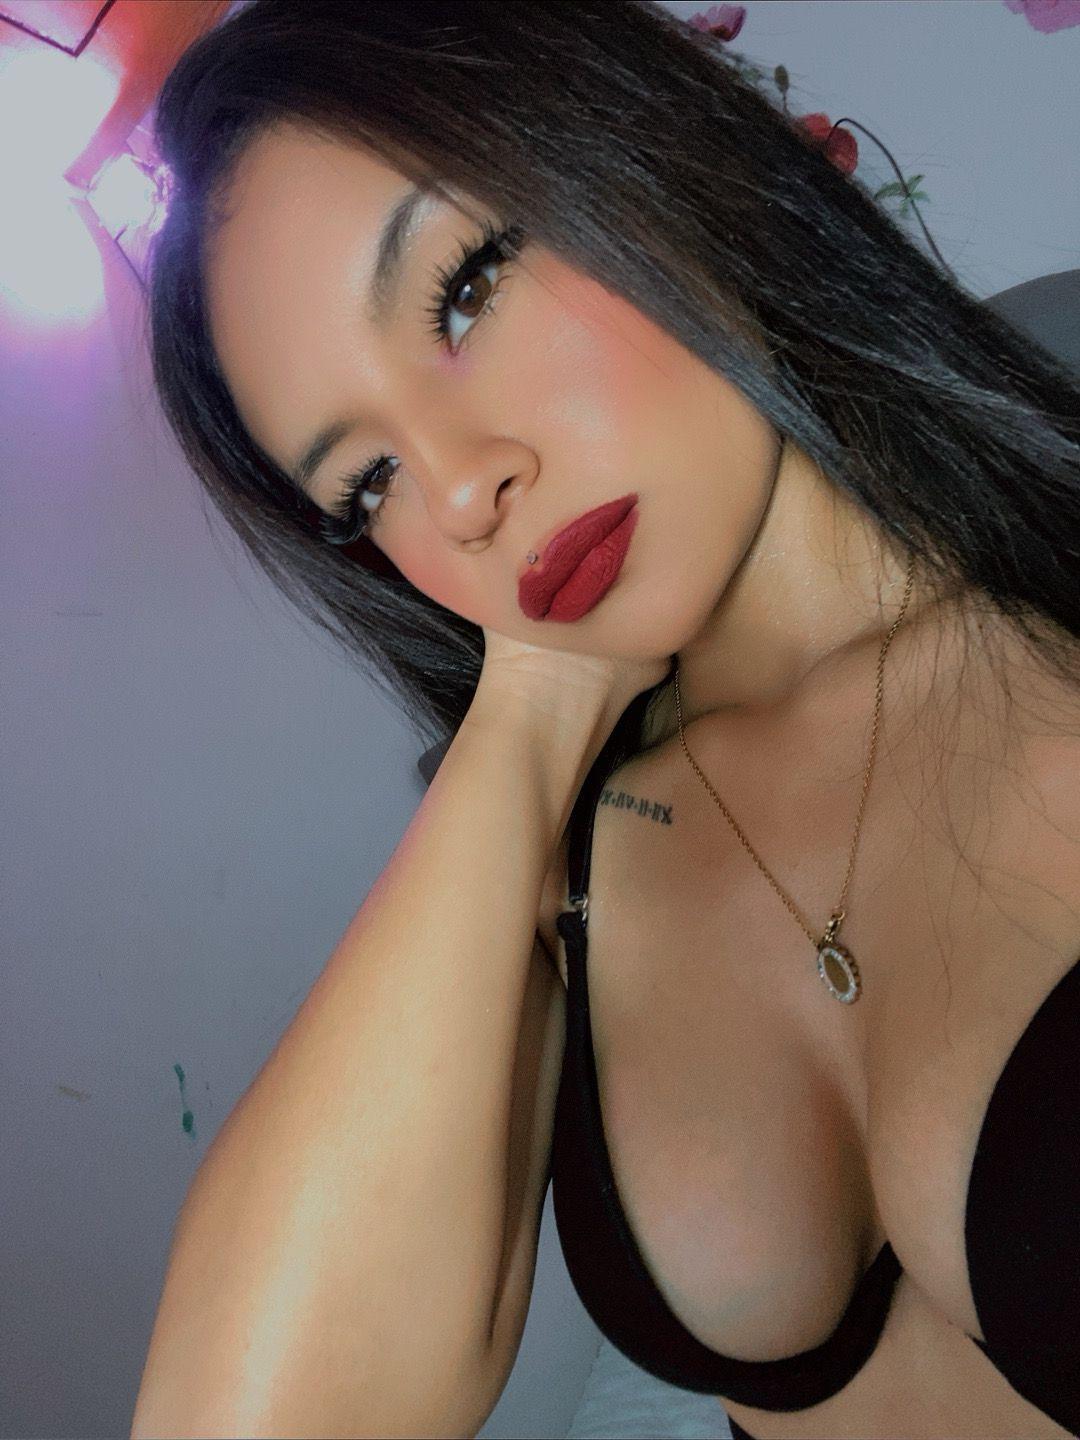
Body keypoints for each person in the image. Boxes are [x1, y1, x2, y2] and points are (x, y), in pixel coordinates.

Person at [131, 4, 1080, 1439]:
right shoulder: (552, 862)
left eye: (464, 292)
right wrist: (535, 703)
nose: (458, 494)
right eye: (368, 486)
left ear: (651, 157)